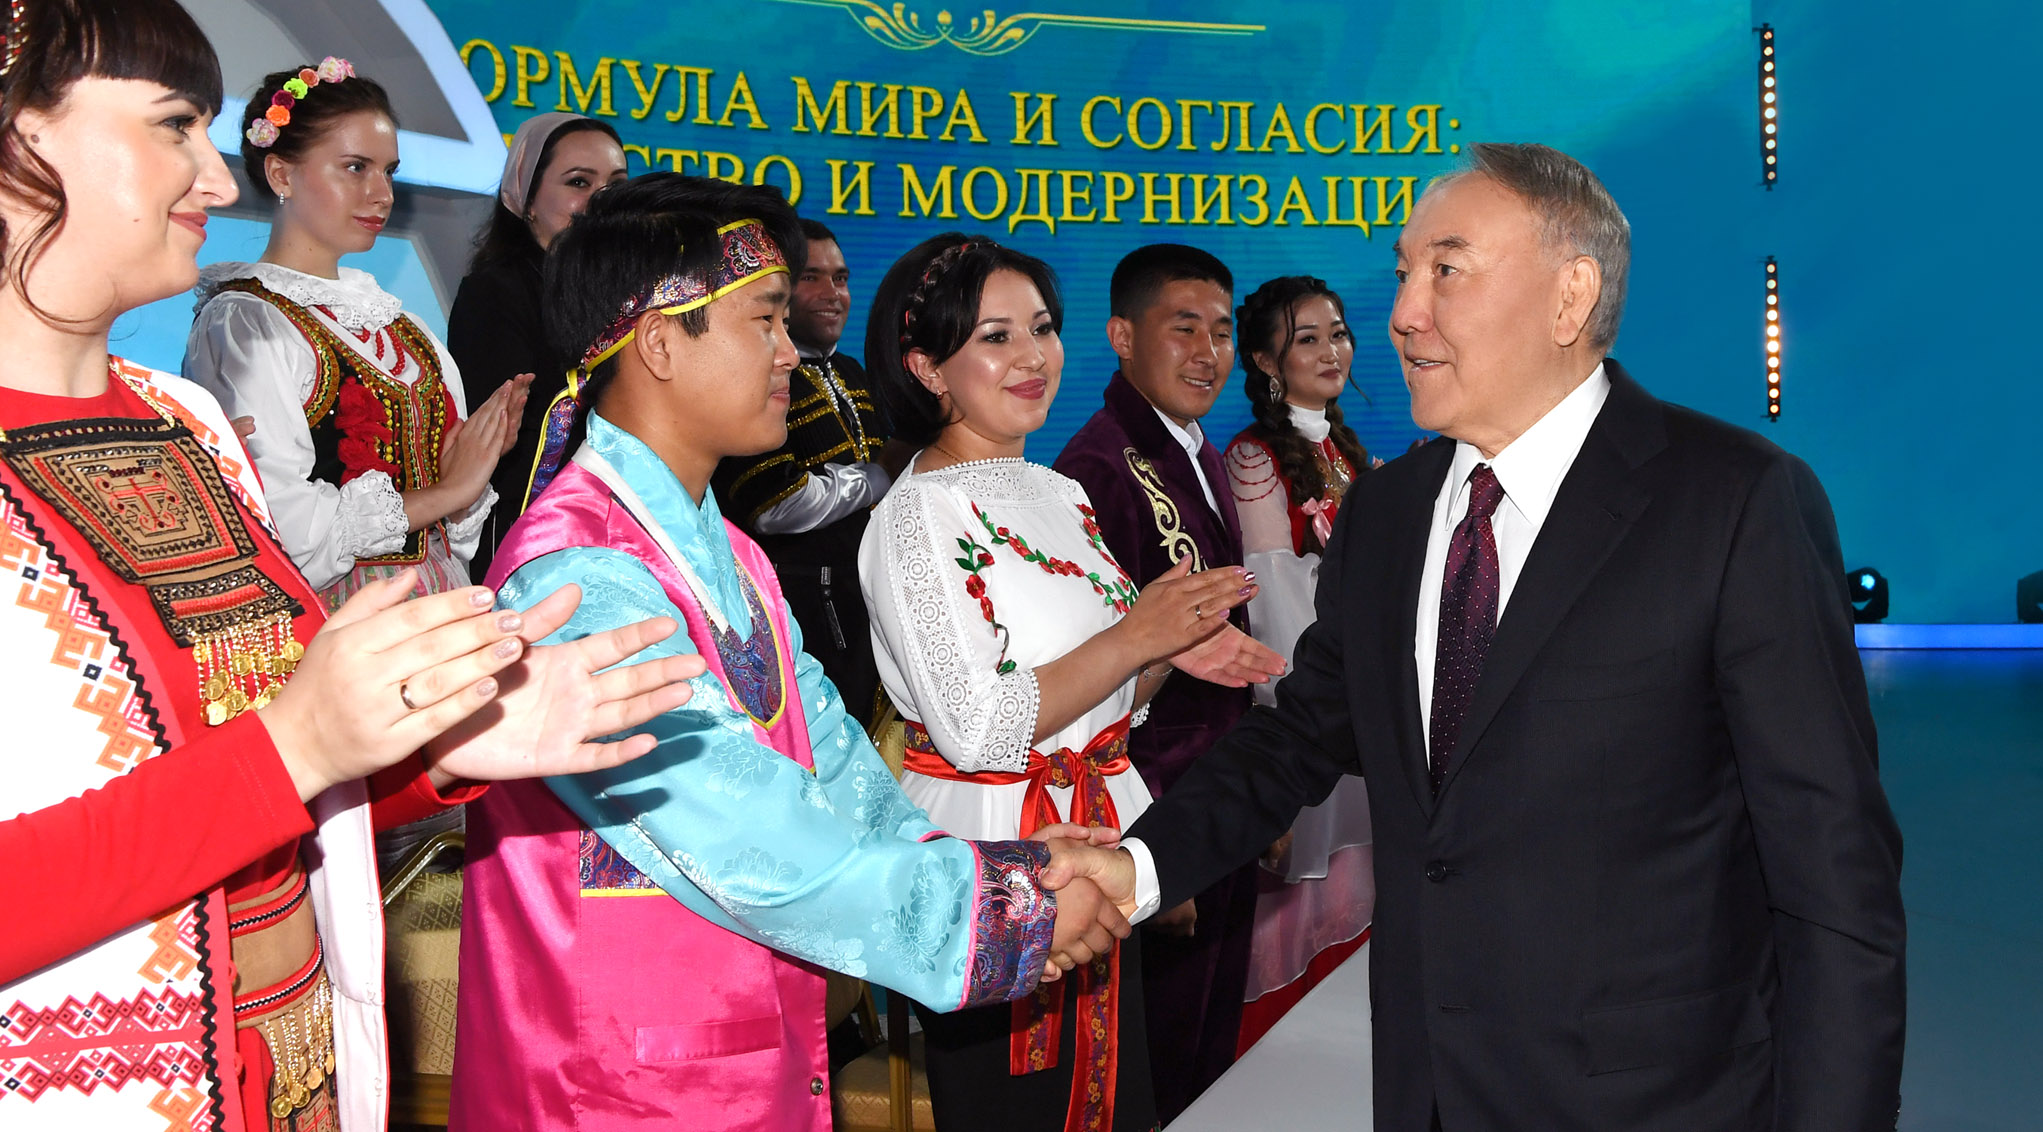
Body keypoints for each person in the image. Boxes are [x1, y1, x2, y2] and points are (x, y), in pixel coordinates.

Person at [1052, 144, 1908, 1132]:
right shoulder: (1387, 517)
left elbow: (1833, 875)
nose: (1403, 312)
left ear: (1568, 296)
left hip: (1658, 1100)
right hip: (1429, 1091)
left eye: (1446, 270)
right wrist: (1135, 866)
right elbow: (1294, 738)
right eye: (1404, 272)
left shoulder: (1732, 502)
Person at [0, 4, 701, 1130]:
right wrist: (302, 747)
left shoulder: (185, 421)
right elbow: (262, 759)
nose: (216, 179)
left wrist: (432, 752)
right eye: (173, 125)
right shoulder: (244, 339)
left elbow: (247, 759)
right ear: (22, 143)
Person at [449, 181, 1134, 1132]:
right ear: (659, 344)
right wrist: (993, 909)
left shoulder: (726, 553)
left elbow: (838, 765)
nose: (789, 353)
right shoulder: (582, 576)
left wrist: (989, 865)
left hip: (731, 1053)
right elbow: (734, 819)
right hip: (612, 1086)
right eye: (765, 321)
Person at [859, 232, 1283, 1132]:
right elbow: (978, 729)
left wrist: (1164, 651)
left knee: (1120, 1101)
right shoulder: (915, 515)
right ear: (926, 367)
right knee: (1020, 1107)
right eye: (995, 337)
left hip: (1092, 841)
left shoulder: (1057, 494)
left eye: (1042, 329)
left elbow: (1100, 704)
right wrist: (1136, 637)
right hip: (994, 872)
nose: (1032, 357)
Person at [1050, 242, 1267, 1120]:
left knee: (1209, 1052)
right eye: (1183, 328)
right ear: (1121, 336)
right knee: (1163, 1061)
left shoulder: (1195, 452)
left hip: (1217, 790)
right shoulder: (1097, 468)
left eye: (1220, 330)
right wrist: (1145, 849)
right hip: (1160, 808)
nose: (1208, 352)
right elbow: (1096, 679)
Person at [184, 61, 528, 613]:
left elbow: (451, 532)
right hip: (334, 619)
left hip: (438, 599)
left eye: (388, 171)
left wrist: (472, 458)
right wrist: (448, 491)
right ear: (281, 175)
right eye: (355, 167)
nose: (381, 193)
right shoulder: (248, 323)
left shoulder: (404, 327)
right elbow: (280, 526)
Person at [1220, 275, 1378, 1044]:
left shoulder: (1345, 449)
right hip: (1310, 712)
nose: (1329, 350)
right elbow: (1273, 609)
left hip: (1362, 709)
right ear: (1263, 360)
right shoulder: (1253, 459)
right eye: (1306, 338)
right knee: (1297, 905)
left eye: (1337, 333)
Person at [711, 217, 894, 727]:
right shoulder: (757, 378)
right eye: (811, 277)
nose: (832, 293)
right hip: (803, 614)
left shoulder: (855, 372)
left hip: (871, 609)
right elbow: (774, 505)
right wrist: (879, 477)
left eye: (841, 278)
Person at [447, 110, 627, 578]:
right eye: (579, 182)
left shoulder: (634, 298)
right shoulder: (495, 292)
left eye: (615, 184)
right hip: (531, 541)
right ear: (526, 199)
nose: (602, 200)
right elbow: (499, 440)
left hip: (624, 533)